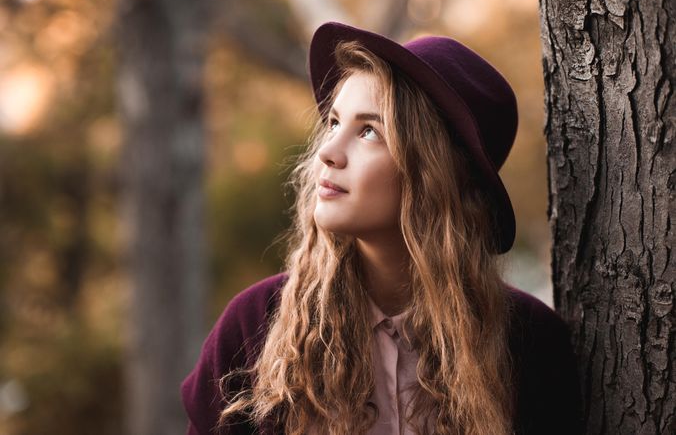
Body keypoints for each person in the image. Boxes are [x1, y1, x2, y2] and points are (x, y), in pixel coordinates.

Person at [180, 21, 582, 435]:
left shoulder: (529, 345)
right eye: (334, 124)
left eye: (369, 131)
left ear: (435, 174)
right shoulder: (254, 327)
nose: (328, 152)